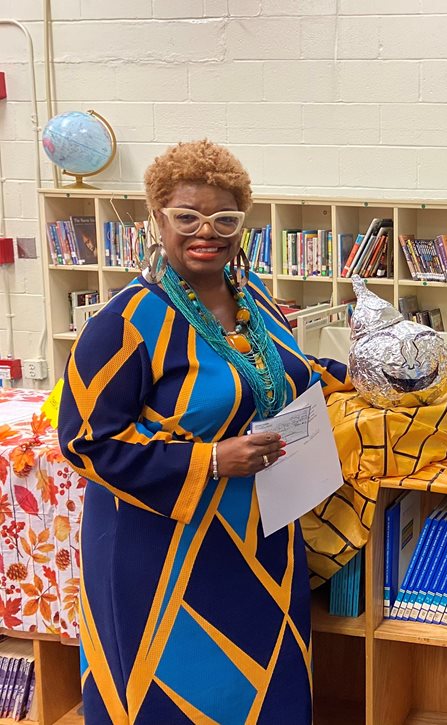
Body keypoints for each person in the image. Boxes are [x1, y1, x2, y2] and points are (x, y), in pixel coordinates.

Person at [58, 140, 350, 724]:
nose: (206, 231)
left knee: (265, 689)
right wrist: (210, 461)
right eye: (187, 216)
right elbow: (86, 441)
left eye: (224, 218)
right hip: (165, 552)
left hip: (264, 541)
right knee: (176, 698)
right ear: (156, 219)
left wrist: (368, 378)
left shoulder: (256, 300)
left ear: (243, 226)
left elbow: (289, 369)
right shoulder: (124, 322)